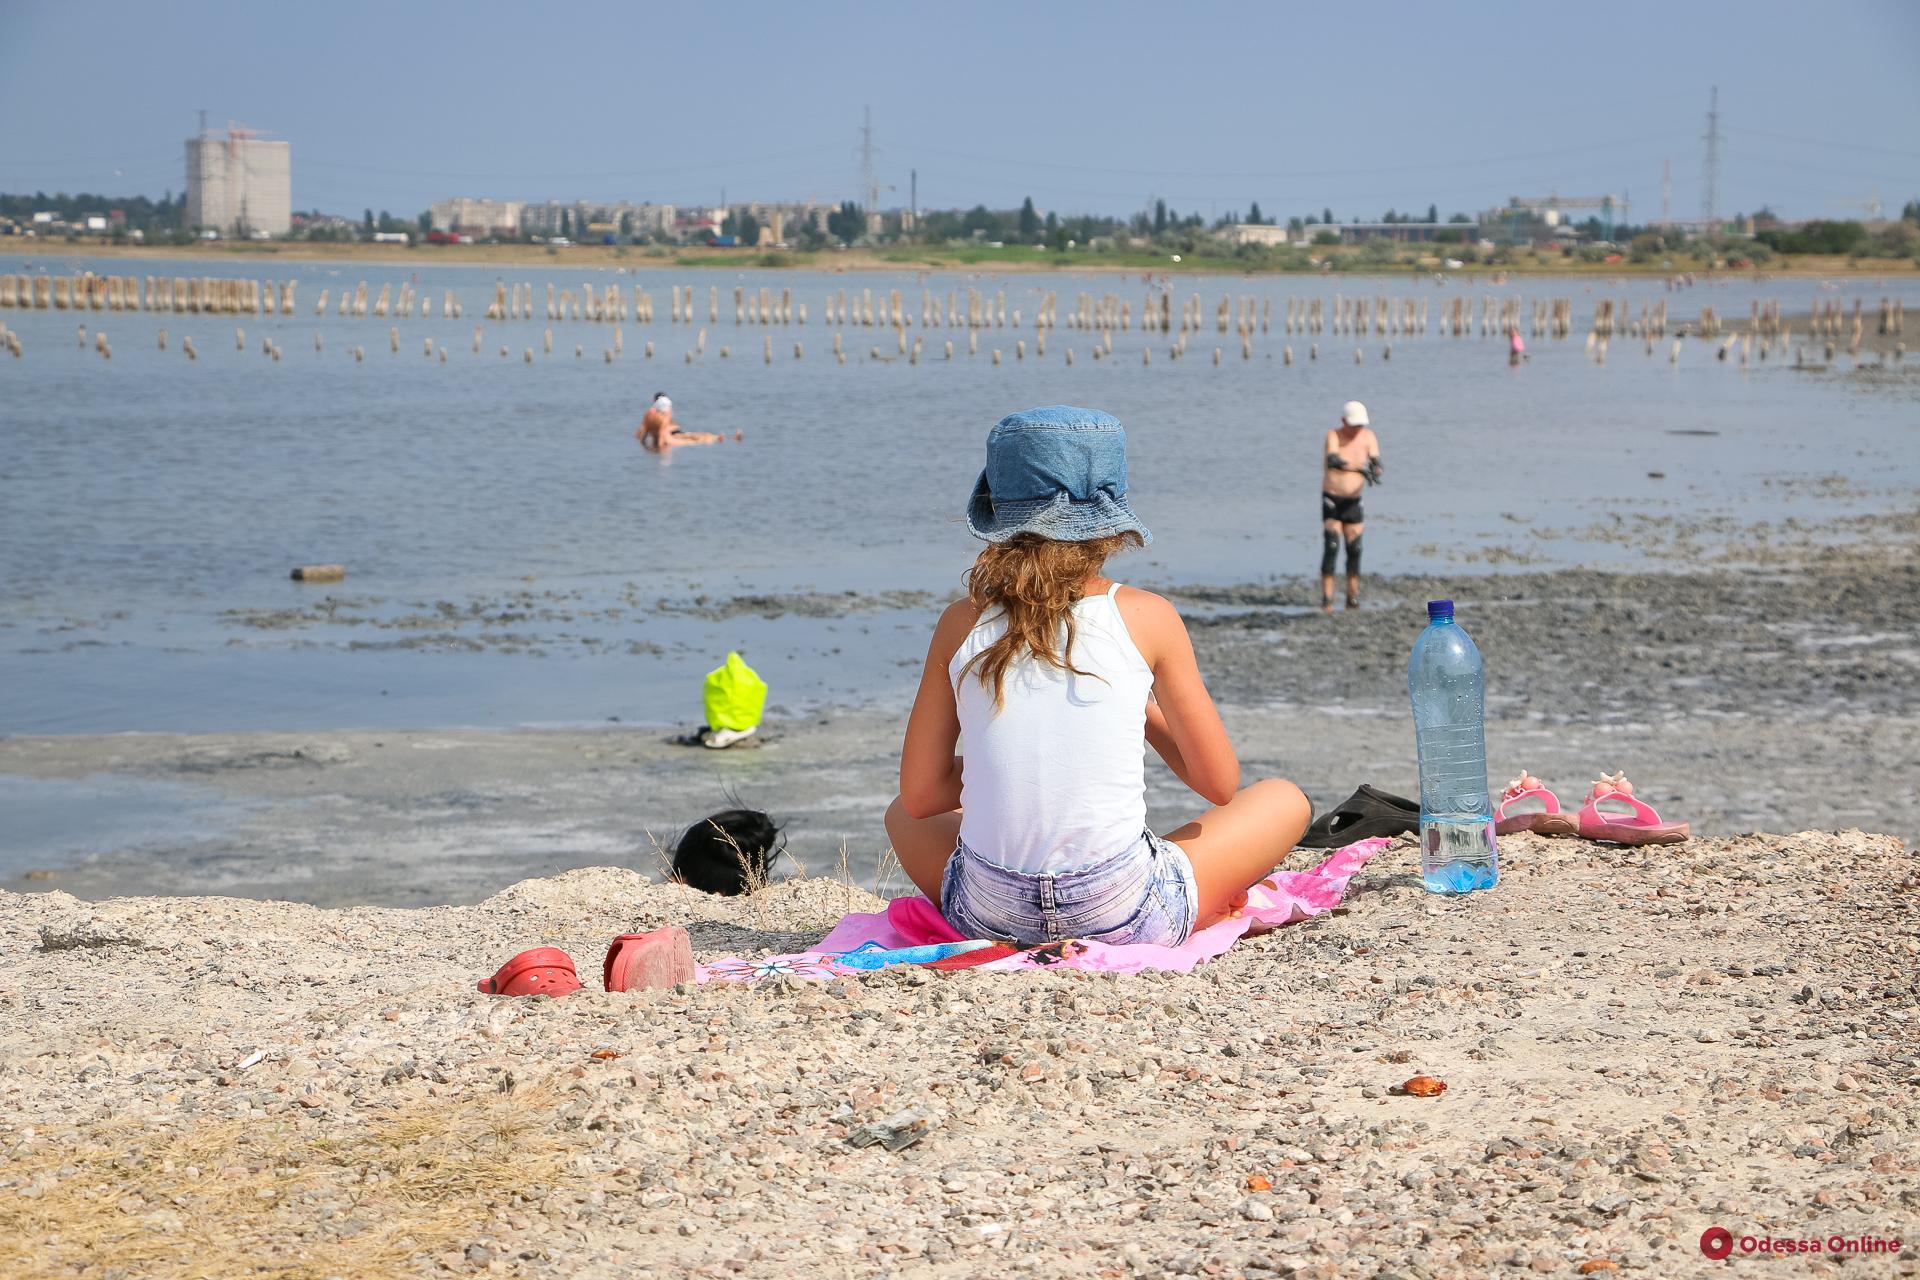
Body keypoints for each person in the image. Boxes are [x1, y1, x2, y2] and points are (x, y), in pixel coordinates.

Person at [883, 406, 1312, 948]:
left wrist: (1010, 767)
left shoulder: (959, 623)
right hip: (1124, 911)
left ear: (998, 517)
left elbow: (920, 798)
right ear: (1109, 521)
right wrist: (1134, 719)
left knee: (901, 814)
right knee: (1284, 798)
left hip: (990, 914)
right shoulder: (1147, 616)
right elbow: (1219, 784)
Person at [1321, 400, 1381, 613]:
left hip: (1354, 501)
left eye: (1360, 425)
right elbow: (1333, 460)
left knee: (1354, 549)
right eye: (1354, 425)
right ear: (1343, 421)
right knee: (1332, 546)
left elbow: (1376, 460)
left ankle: (1351, 599)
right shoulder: (1333, 436)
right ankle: (1327, 600)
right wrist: (1359, 469)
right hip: (1332, 498)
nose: (1357, 429)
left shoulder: (1368, 437)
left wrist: (1375, 469)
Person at [637, 393, 721, 450]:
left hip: (672, 434)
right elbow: (661, 436)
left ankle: (715, 437)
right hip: (671, 435)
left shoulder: (650, 414)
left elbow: (641, 432)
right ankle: (715, 438)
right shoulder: (658, 414)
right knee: (695, 439)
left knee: (696, 436)